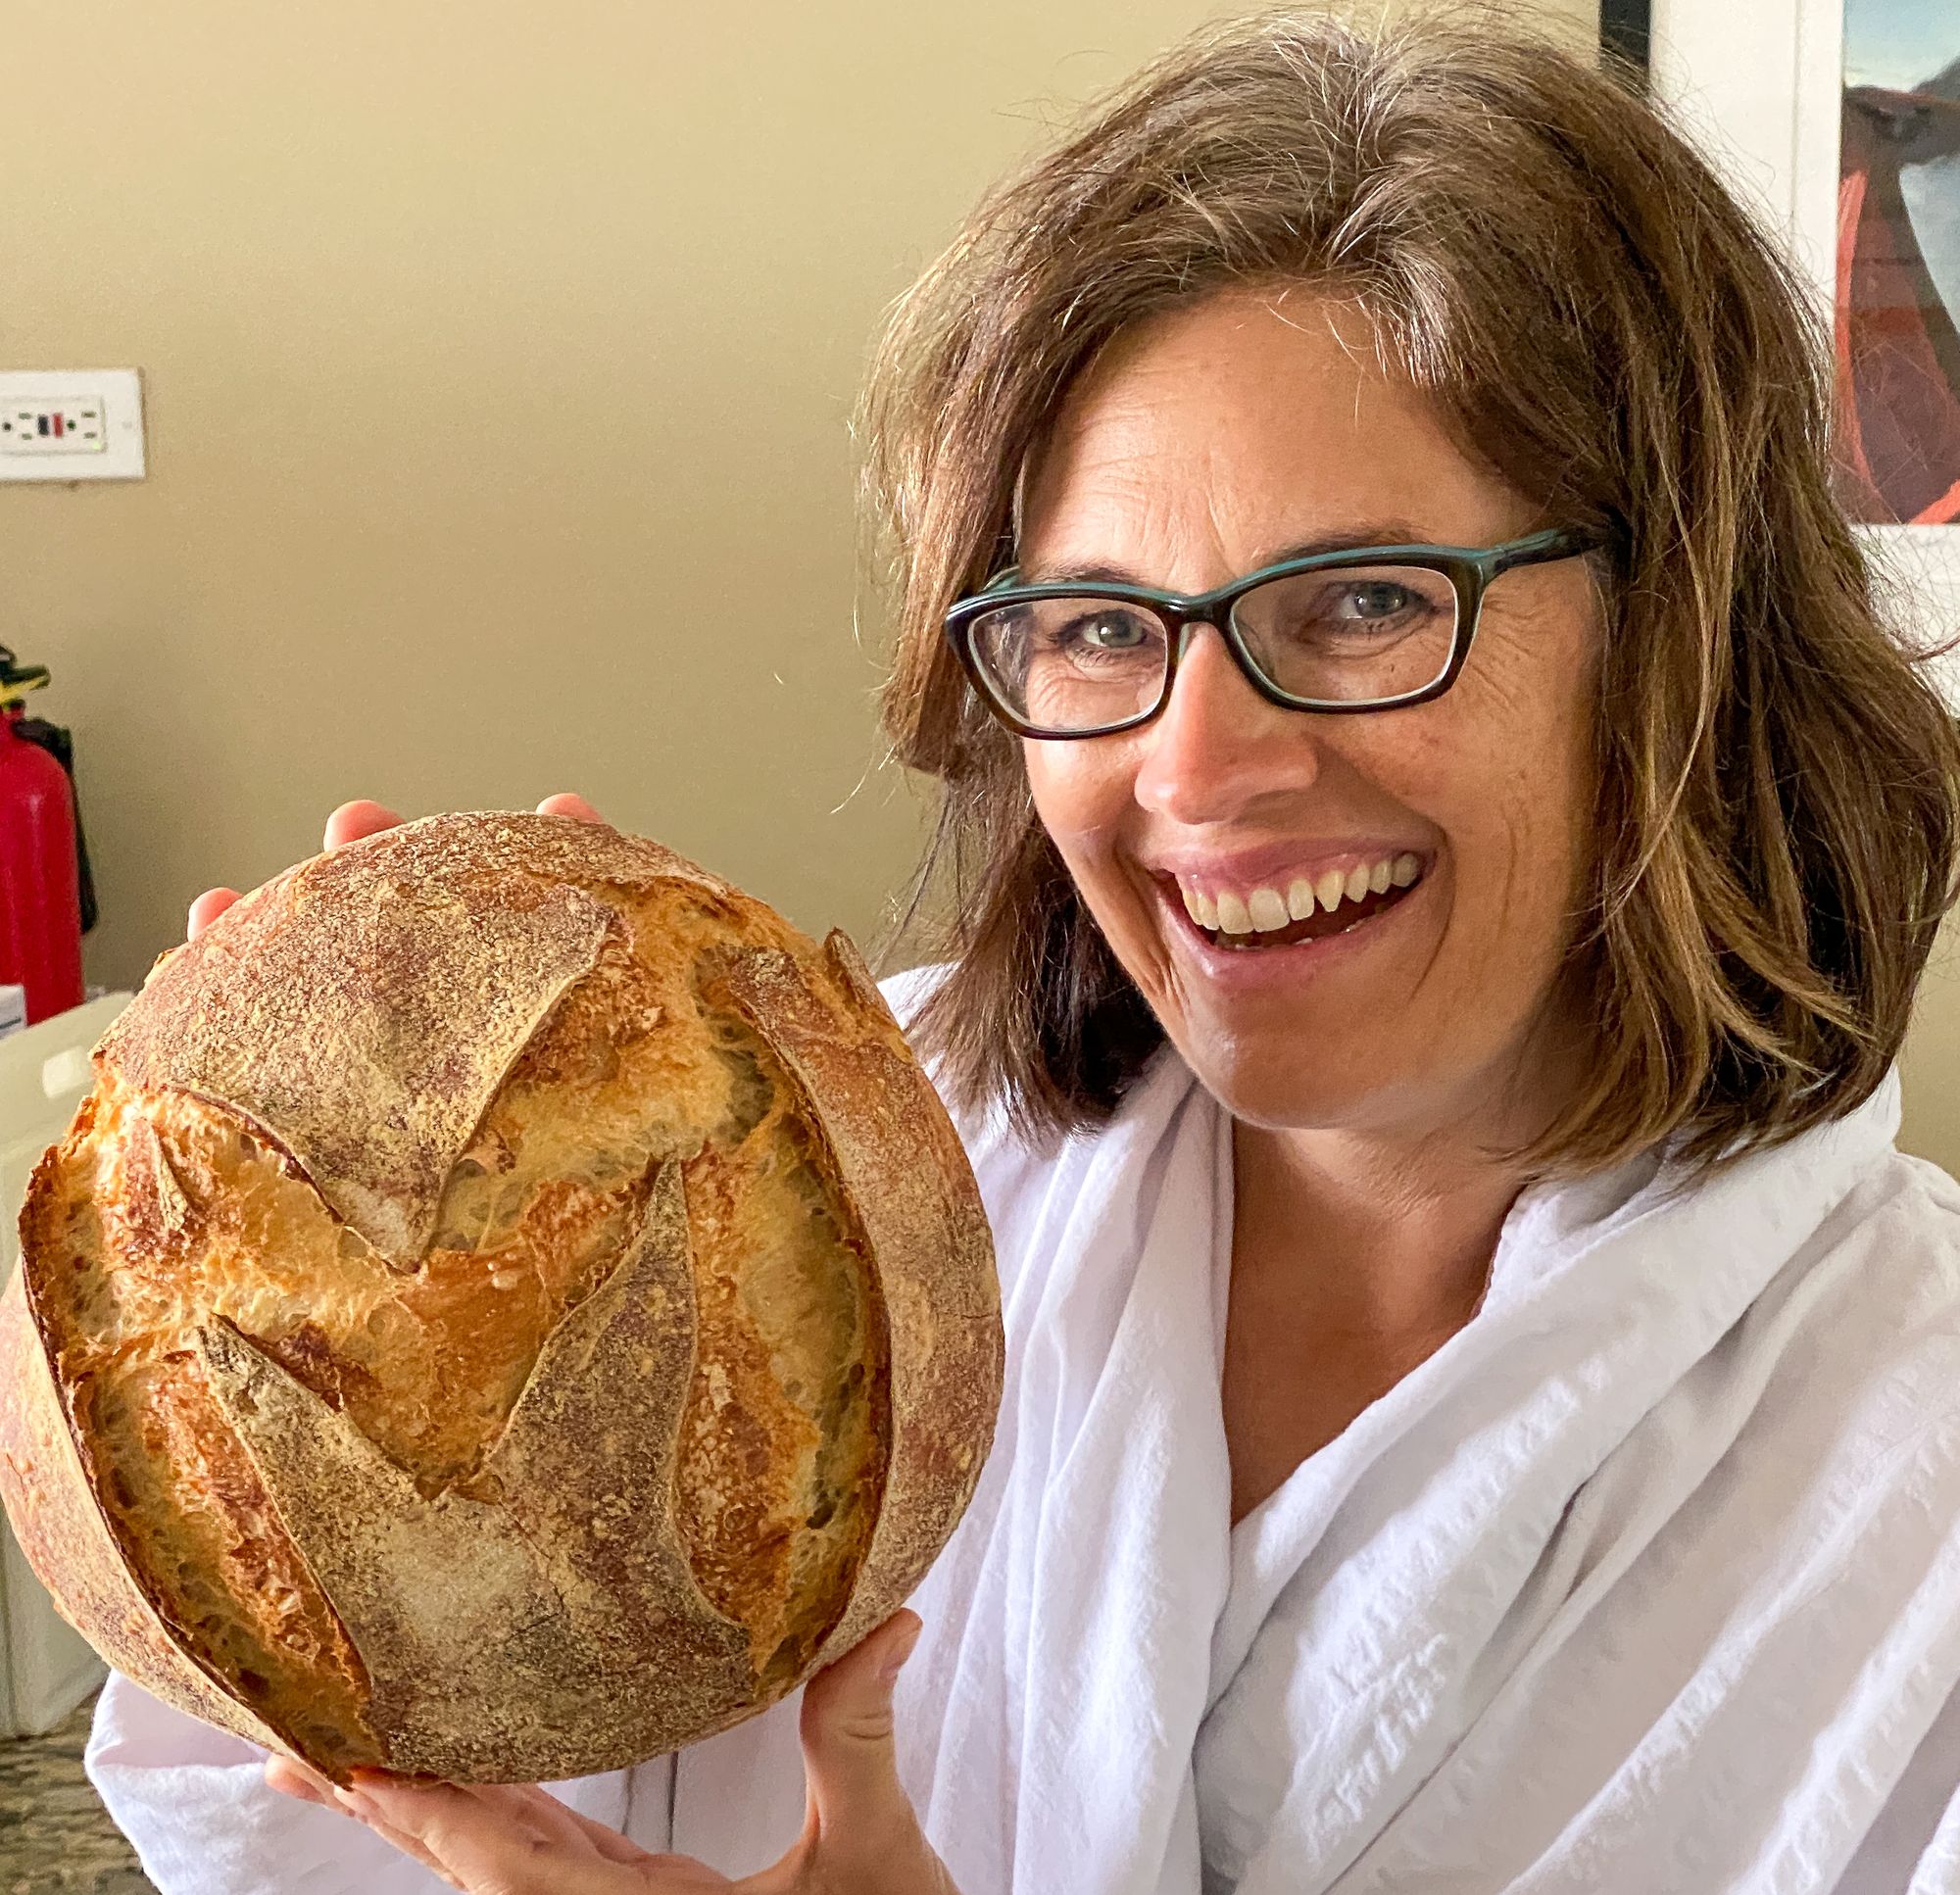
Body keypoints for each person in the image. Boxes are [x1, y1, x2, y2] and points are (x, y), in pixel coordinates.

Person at [83, 9, 1960, 1892]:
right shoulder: (828, 1179)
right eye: (1097, 627)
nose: (1195, 769)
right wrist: (291, 1330)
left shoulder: (1913, 1466)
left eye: (1370, 602)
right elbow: (324, 1790)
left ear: (1687, 637)